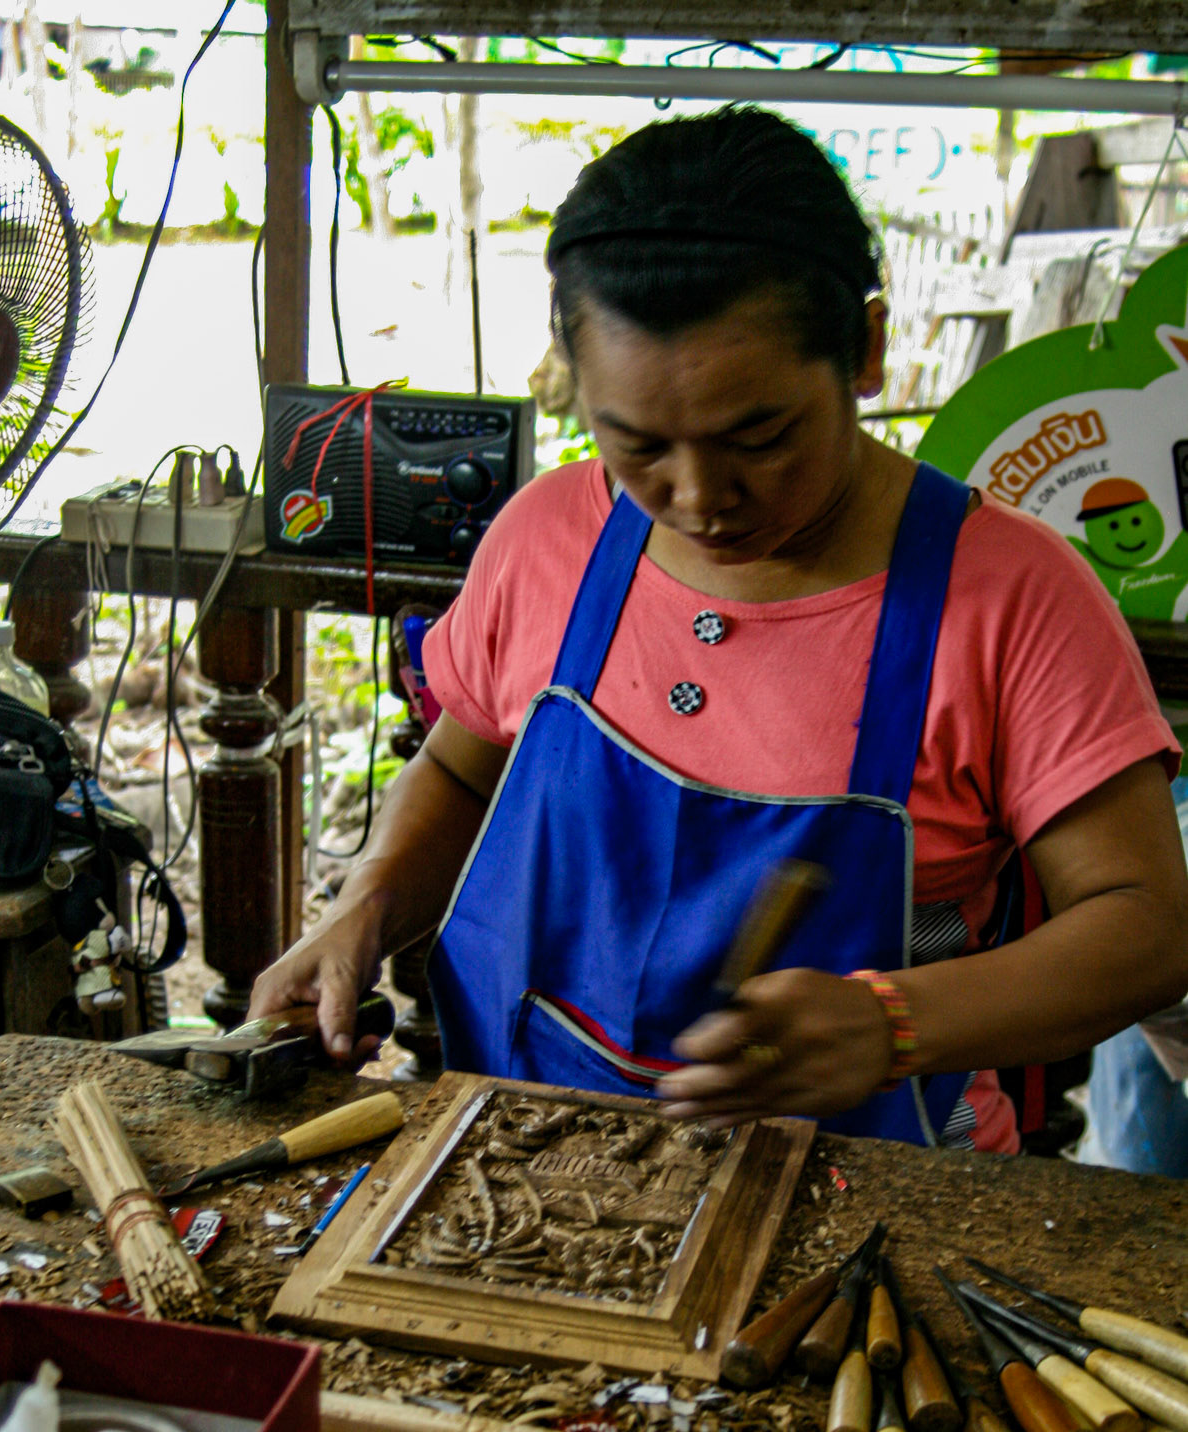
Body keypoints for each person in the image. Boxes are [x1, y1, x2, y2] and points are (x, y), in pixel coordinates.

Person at [250, 106, 1188, 1154]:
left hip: (872, 1187)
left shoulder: (1012, 597)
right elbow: (464, 770)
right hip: (529, 1161)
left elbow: (1145, 927)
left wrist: (895, 1022)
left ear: (866, 349)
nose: (698, 497)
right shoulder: (550, 536)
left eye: (760, 436)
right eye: (636, 443)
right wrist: (360, 910)